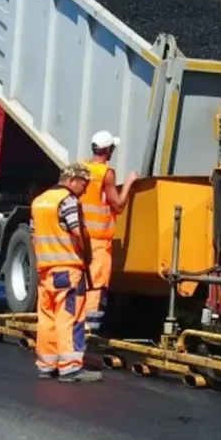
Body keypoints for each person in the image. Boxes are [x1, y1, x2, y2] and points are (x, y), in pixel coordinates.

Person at [31, 162, 102, 383]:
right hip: (68, 269)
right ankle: (70, 367)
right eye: (84, 184)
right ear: (72, 181)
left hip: (45, 270)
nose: (85, 189)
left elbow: (34, 234)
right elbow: (76, 231)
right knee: (69, 317)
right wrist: (85, 253)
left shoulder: (39, 201)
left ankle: (47, 364)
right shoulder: (68, 200)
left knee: (47, 317)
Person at [80, 131, 138, 333]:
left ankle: (75, 323)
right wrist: (129, 182)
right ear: (107, 150)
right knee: (96, 285)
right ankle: (88, 331)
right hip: (98, 240)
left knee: (79, 281)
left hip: (79, 237)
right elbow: (119, 205)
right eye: (112, 148)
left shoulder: (81, 169)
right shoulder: (106, 173)